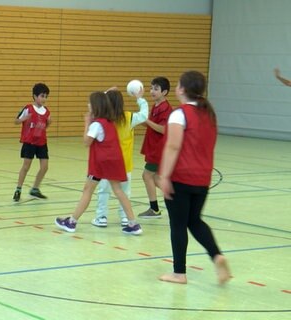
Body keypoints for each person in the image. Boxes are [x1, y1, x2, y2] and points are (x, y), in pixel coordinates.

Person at [157, 70, 230, 285]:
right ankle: (217, 255)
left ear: (181, 89)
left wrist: (164, 176)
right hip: (202, 178)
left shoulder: (180, 114)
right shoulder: (209, 114)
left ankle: (179, 273)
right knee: (194, 221)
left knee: (178, 224)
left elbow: (173, 145)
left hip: (181, 176)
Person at [54, 91, 142, 235]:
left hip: (102, 163)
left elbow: (86, 142)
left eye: (89, 103)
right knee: (119, 191)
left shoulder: (97, 124)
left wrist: (87, 123)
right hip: (114, 160)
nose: (87, 105)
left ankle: (71, 222)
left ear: (96, 106)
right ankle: (133, 223)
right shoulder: (110, 122)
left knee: (88, 190)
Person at [92, 87, 148, 228]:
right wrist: (139, 98)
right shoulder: (129, 117)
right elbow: (144, 115)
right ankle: (124, 217)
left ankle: (101, 217)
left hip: (107, 162)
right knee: (124, 192)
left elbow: (97, 103)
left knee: (103, 190)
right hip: (125, 163)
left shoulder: (104, 119)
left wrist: (105, 92)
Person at [138, 77, 173, 219]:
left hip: (159, 149)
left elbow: (164, 129)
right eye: (151, 88)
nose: (152, 91)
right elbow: (151, 124)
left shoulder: (166, 109)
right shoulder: (156, 106)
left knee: (147, 175)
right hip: (153, 146)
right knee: (157, 178)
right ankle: (178, 198)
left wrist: (146, 121)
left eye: (156, 89)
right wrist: (139, 120)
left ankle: (154, 209)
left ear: (164, 92)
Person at [13, 83, 51, 202]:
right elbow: (16, 121)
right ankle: (18, 189)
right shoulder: (28, 108)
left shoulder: (47, 112)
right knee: (26, 167)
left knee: (44, 167)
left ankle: (35, 189)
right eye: (42, 96)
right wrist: (24, 119)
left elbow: (46, 125)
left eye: (46, 96)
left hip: (41, 142)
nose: (44, 99)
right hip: (29, 142)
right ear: (34, 96)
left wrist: (48, 123)